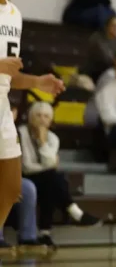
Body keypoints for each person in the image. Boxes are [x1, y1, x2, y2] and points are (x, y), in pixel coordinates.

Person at [0, 0, 67, 267]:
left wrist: (37, 81)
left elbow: (10, 73)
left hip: (1, 108)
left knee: (12, 188)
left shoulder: (14, 13)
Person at [20, 101, 102, 239]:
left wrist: (42, 141)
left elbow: (47, 162)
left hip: (43, 179)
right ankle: (73, 213)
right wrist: (49, 165)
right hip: (23, 177)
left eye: (46, 116)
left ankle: (46, 232)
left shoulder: (53, 138)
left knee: (51, 181)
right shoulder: (22, 133)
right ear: (30, 117)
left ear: (51, 120)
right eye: (38, 115)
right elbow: (26, 167)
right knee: (53, 177)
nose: (42, 119)